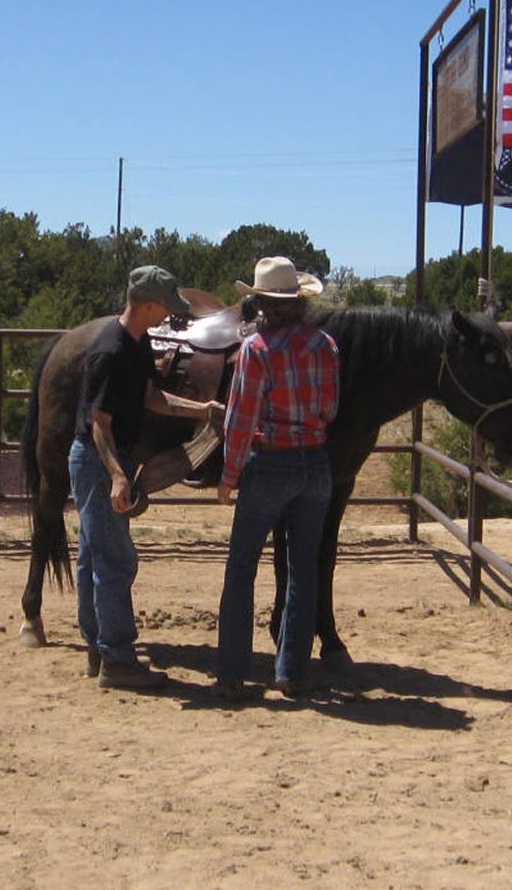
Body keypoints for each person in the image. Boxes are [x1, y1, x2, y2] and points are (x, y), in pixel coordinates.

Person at [72, 264, 222, 690]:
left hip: (101, 460)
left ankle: (99, 649)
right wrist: (118, 476)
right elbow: (99, 423)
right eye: (166, 306)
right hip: (100, 460)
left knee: (93, 555)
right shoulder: (110, 351)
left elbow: (152, 398)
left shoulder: (136, 343)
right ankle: (118, 659)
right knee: (115, 560)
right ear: (149, 304)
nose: (170, 313)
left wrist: (202, 410)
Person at [215, 256, 340, 700]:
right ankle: (292, 672)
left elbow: (240, 419)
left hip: (269, 463)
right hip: (315, 462)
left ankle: (232, 672)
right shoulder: (326, 345)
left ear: (262, 303)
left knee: (241, 566)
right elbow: (330, 410)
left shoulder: (256, 350)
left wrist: (229, 475)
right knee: (303, 568)